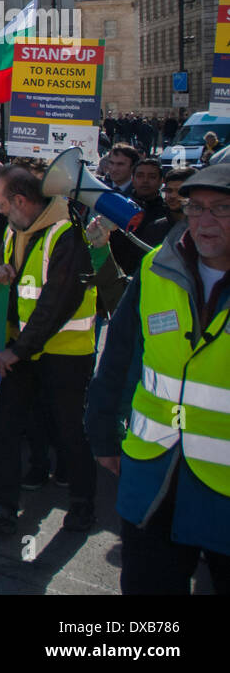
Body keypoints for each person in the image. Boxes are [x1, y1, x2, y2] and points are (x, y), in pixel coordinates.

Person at [84, 163, 230, 594]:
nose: (204, 221)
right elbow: (119, 354)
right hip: (153, 474)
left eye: (221, 209)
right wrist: (104, 434)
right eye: (196, 207)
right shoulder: (155, 266)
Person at [0, 166, 99, 538]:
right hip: (24, 350)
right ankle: (1, 509)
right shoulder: (14, 230)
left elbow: (57, 302)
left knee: (70, 430)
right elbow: (21, 290)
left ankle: (82, 504)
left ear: (21, 200)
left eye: (2, 202)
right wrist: (0, 274)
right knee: (6, 430)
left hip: (64, 353)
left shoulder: (67, 234)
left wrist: (19, 350)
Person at [110, 157, 170, 275]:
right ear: (132, 178)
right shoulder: (118, 206)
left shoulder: (167, 212)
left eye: (152, 177)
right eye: (140, 176)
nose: (145, 181)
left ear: (161, 181)